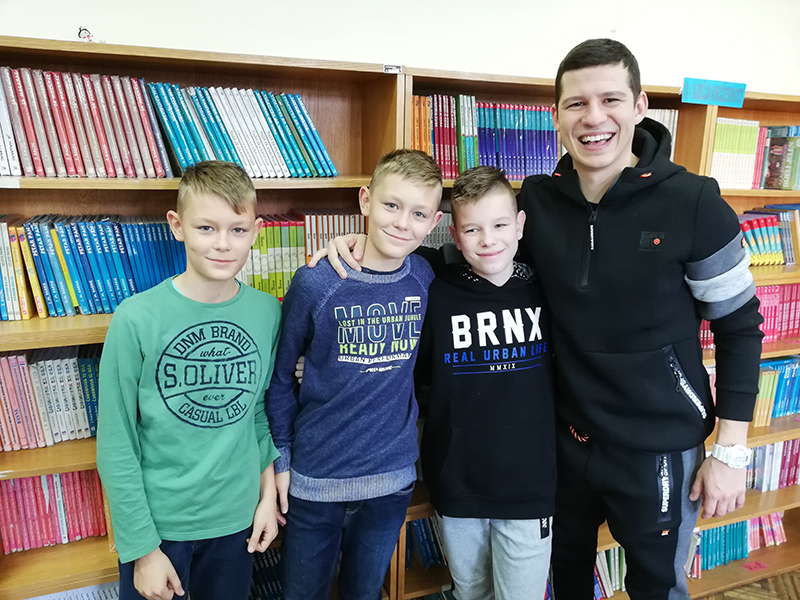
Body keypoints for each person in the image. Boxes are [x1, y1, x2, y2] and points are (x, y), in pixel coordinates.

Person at [318, 39, 764, 600]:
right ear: (557, 116)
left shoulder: (694, 203)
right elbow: (477, 257)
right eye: (577, 103)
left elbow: (739, 326)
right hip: (563, 445)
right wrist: (372, 248)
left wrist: (730, 450)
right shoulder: (539, 201)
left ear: (639, 105)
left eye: (610, 99)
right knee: (566, 579)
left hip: (657, 448)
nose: (594, 117)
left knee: (657, 587)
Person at [96, 161, 282, 600]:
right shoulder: (135, 318)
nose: (223, 244)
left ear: (256, 231)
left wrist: (267, 498)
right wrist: (143, 550)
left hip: (236, 523)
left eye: (237, 230)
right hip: (161, 530)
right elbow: (117, 442)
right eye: (206, 228)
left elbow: (257, 414)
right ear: (177, 226)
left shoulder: (267, 312)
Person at [266, 149, 444, 600]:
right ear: (365, 200)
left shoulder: (426, 277)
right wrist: (281, 459)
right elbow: (281, 376)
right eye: (391, 205)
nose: (402, 223)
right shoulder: (317, 281)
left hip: (390, 482)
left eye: (418, 213)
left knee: (364, 594)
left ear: (434, 221)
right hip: (315, 480)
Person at [415, 166, 556, 600]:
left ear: (520, 225)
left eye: (499, 225)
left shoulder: (548, 289)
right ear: (455, 236)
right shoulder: (434, 291)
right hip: (458, 482)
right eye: (472, 229)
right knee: (470, 592)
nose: (488, 240)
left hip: (529, 485)